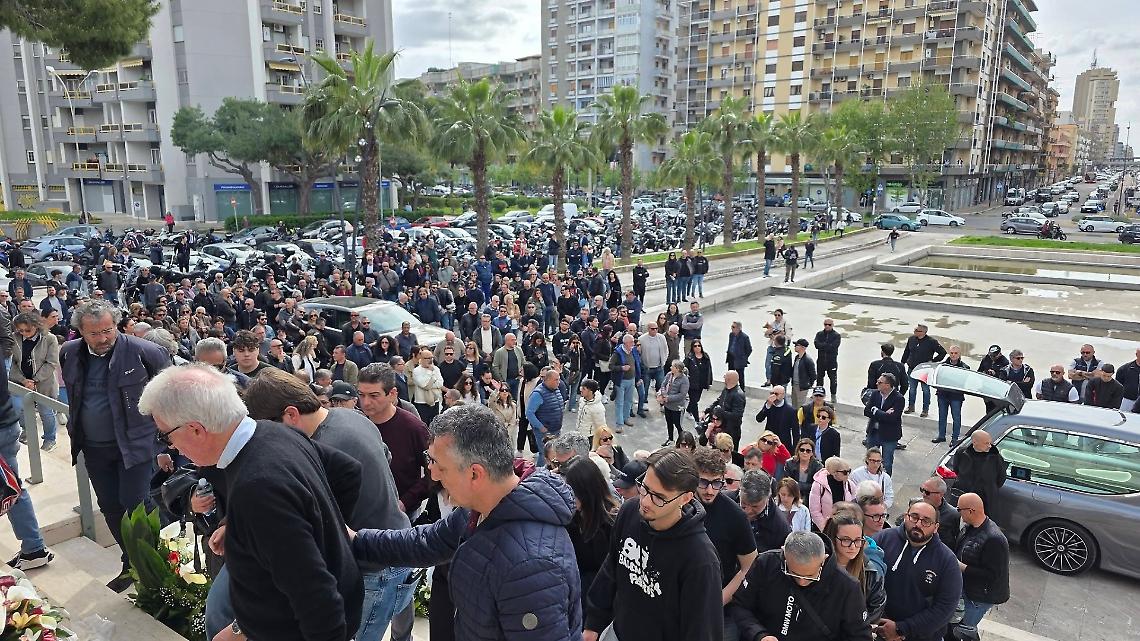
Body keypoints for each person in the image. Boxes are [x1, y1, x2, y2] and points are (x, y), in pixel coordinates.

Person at [140, 364, 363, 641]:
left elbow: (316, 597)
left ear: (196, 430)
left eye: (165, 435)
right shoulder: (274, 431)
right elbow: (347, 471)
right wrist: (325, 532)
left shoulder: (258, 491)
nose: (170, 446)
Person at [351, 403, 583, 641]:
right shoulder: (480, 508)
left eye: (440, 466)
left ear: (475, 474)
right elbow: (425, 542)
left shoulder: (531, 567)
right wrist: (356, 539)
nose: (433, 475)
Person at [243, 369, 416, 641]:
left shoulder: (319, 450)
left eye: (271, 430)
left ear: (290, 415)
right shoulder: (352, 417)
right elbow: (386, 459)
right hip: (395, 546)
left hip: (374, 571)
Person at [59, 300, 170, 592]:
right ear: (80, 332)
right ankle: (131, 561)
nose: (102, 338)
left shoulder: (145, 352)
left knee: (134, 503)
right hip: (94, 447)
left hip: (135, 445)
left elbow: (170, 398)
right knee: (109, 505)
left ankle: (153, 565)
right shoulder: (69, 353)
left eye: (107, 330)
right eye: (94, 333)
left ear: (117, 325)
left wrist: (167, 446)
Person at [584, 448, 722, 641]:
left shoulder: (701, 559)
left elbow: (702, 629)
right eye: (644, 488)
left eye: (659, 497)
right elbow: (612, 567)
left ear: (686, 498)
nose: (646, 502)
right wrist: (593, 622)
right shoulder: (630, 511)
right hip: (618, 631)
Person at [728, 530, 873, 641]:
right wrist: (759, 634)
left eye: (810, 576)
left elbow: (860, 636)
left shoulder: (847, 587)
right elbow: (740, 605)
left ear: (824, 559)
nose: (802, 581)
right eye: (794, 573)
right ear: (784, 554)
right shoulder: (766, 564)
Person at [692, 446, 758, 641]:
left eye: (717, 483)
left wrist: (717, 601)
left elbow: (749, 567)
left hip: (719, 610)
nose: (710, 490)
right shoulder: (679, 505)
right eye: (703, 482)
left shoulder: (735, 516)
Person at [873, 500, 962, 641]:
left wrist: (901, 629)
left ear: (936, 527)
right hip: (878, 629)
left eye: (926, 521)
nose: (918, 524)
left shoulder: (947, 561)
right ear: (905, 517)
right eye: (914, 517)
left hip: (920, 636)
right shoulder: (883, 539)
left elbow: (945, 608)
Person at [357, 364, 432, 518]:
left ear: (392, 394)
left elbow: (436, 472)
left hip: (403, 514)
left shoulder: (413, 428)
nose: (365, 402)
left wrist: (404, 502)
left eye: (374, 395)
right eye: (361, 395)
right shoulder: (355, 423)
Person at [562, 456, 620, 612]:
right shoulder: (573, 517)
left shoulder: (611, 522)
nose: (569, 497)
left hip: (598, 604)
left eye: (572, 492)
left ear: (585, 491)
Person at [953, 493, 1011, 641]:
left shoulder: (994, 539)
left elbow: (993, 575)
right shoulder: (971, 527)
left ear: (971, 511)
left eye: (960, 509)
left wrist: (962, 567)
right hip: (970, 589)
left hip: (979, 597)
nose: (958, 512)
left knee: (965, 629)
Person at [823, 508, 886, 624]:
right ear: (832, 538)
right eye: (846, 540)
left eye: (858, 540)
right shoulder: (818, 565)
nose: (853, 547)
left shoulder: (871, 572)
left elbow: (875, 610)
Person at [9, 312, 60, 451]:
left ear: (36, 326)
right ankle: (27, 431)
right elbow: (12, 363)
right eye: (20, 330)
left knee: (46, 412)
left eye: (28, 330)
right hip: (21, 381)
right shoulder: (14, 339)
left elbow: (51, 363)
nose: (24, 333)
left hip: (44, 382)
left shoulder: (49, 339)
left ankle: (50, 438)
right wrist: (23, 380)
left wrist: (35, 380)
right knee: (18, 407)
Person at [735, 469, 791, 552]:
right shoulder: (726, 503)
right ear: (740, 492)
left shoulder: (780, 527)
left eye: (755, 506)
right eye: (743, 505)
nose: (748, 511)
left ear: (767, 499)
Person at [948, 430, 1006, 510]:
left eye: (990, 443)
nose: (989, 446)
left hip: (985, 501)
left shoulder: (996, 458)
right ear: (975, 442)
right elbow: (956, 470)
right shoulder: (962, 453)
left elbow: (1001, 478)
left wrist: (988, 488)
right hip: (963, 497)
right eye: (986, 443)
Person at [863, 373, 904, 476]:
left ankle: (885, 484)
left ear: (888, 385)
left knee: (887, 462)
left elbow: (893, 418)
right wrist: (884, 414)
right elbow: (866, 411)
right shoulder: (875, 394)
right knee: (870, 460)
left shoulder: (898, 398)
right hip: (873, 432)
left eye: (880, 382)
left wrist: (876, 411)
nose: (877, 384)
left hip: (889, 435)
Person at [900, 324, 946, 418]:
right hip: (912, 368)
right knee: (912, 389)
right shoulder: (911, 339)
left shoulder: (931, 342)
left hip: (924, 370)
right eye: (915, 329)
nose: (914, 331)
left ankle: (925, 409)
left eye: (917, 330)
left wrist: (933, 361)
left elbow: (943, 353)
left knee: (925, 390)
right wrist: (902, 363)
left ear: (923, 332)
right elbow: (907, 351)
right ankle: (911, 406)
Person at [527, 368, 568, 466]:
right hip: (545, 432)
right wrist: (541, 427)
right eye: (556, 380)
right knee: (545, 455)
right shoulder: (538, 394)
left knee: (554, 454)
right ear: (548, 379)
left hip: (556, 429)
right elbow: (529, 413)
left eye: (559, 379)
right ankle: (539, 475)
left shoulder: (556, 389)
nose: (559, 382)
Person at [809, 456, 857, 531]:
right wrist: (825, 528)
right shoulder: (818, 485)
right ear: (834, 472)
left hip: (844, 527)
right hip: (823, 528)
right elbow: (814, 511)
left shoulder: (850, 485)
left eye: (849, 471)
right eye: (844, 472)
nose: (848, 474)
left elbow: (855, 507)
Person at [933, 345, 970, 444]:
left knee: (956, 418)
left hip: (956, 397)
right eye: (951, 353)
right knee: (942, 416)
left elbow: (965, 383)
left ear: (960, 354)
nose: (953, 355)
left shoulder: (965, 367)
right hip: (942, 395)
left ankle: (955, 438)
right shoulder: (942, 366)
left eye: (955, 353)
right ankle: (941, 435)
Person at [609, 333, 644, 427]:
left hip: (632, 380)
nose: (633, 344)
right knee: (619, 402)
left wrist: (638, 378)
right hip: (621, 381)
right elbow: (611, 366)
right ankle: (619, 424)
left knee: (628, 401)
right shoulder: (617, 353)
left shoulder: (633, 351)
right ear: (625, 343)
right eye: (631, 342)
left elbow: (637, 364)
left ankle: (626, 418)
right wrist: (621, 368)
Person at [706, 370, 746, 448]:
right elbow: (719, 400)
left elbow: (737, 415)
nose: (723, 378)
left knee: (729, 451)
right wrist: (707, 410)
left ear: (728, 379)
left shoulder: (738, 395)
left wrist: (722, 412)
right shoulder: (726, 389)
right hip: (723, 427)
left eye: (725, 376)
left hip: (731, 431)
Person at [918, 477, 961, 550]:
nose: (924, 494)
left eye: (927, 492)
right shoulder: (916, 505)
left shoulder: (953, 515)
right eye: (922, 490)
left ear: (940, 495)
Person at [755, 385, 798, 451]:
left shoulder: (791, 411)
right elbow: (759, 419)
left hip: (783, 444)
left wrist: (795, 449)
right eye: (771, 393)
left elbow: (795, 432)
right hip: (768, 442)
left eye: (776, 394)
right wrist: (767, 406)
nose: (773, 396)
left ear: (783, 395)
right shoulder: (768, 405)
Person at [657, 359, 690, 446]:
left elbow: (682, 394)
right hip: (668, 405)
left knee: (677, 423)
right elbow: (663, 384)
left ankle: (682, 440)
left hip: (677, 406)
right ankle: (670, 439)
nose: (671, 367)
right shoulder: (669, 375)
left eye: (673, 366)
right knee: (669, 422)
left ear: (678, 369)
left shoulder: (684, 380)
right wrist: (664, 395)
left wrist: (668, 398)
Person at [685, 340, 714, 425]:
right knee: (694, 401)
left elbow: (709, 369)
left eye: (699, 346)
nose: (697, 347)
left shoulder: (705, 356)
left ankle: (688, 410)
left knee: (696, 399)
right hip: (692, 383)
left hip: (701, 383)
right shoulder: (689, 357)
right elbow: (685, 369)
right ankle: (697, 419)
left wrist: (710, 381)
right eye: (695, 346)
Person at [814, 318, 841, 402]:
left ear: (832, 325)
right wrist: (826, 345)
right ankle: (818, 395)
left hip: (832, 362)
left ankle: (833, 396)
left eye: (829, 325)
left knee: (833, 380)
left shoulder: (836, 335)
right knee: (819, 379)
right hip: (821, 361)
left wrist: (823, 346)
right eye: (825, 324)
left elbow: (834, 346)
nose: (827, 326)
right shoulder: (819, 334)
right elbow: (816, 344)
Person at [789, 339, 817, 408]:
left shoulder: (808, 360)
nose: (795, 346)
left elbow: (813, 375)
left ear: (803, 347)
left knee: (800, 406)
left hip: (802, 387)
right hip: (794, 385)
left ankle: (799, 418)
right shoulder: (797, 357)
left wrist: (808, 385)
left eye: (797, 345)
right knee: (794, 404)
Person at [725, 321, 752, 388]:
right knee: (730, 375)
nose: (732, 328)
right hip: (731, 357)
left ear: (739, 328)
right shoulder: (731, 335)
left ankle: (742, 390)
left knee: (740, 376)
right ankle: (730, 388)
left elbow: (749, 349)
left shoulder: (744, 337)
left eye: (733, 327)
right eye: (731, 326)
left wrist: (744, 357)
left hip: (739, 359)